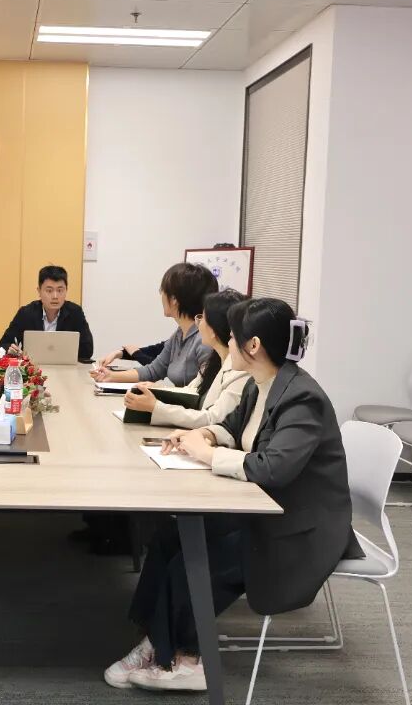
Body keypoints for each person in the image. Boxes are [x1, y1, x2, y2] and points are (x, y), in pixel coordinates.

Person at [105, 297, 364, 692]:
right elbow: (231, 427)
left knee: (195, 561)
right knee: (172, 536)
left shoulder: (301, 398)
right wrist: (201, 435)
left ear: (254, 345)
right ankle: (156, 639)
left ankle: (188, 659)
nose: (228, 342)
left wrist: (208, 454)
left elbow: (273, 468)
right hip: (265, 509)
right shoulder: (262, 385)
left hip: (299, 529)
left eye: (234, 336)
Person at [123, 289, 249, 429]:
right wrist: (158, 389)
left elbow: (214, 419)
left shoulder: (240, 371)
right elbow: (191, 391)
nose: (197, 322)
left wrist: (156, 407)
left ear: (214, 330)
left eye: (202, 318)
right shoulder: (214, 360)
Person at [90, 263, 217, 387]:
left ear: (174, 299)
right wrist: (110, 376)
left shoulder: (203, 340)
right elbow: (153, 370)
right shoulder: (179, 335)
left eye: (162, 291)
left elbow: (203, 392)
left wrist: (162, 391)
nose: (161, 296)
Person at [0, 265, 94, 361]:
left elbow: (88, 350)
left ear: (66, 290)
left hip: (65, 367)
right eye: (49, 291)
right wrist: (10, 349)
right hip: (33, 368)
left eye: (60, 290)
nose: (55, 296)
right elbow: (2, 345)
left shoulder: (75, 313)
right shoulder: (26, 313)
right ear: (39, 291)